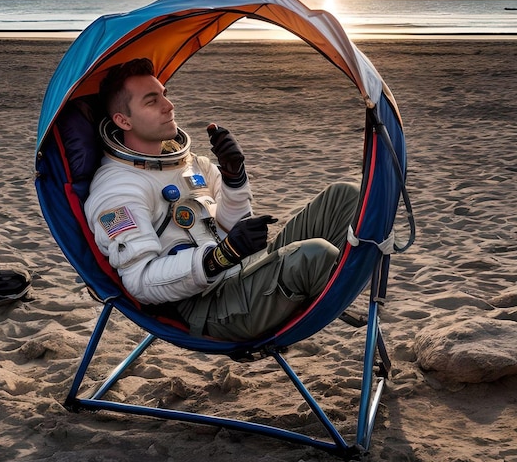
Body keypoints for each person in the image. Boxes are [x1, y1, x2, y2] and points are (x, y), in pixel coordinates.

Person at [84, 58, 359, 342]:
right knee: (316, 255)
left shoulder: (187, 163)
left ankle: (332, 288)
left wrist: (234, 178)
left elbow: (234, 225)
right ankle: (336, 292)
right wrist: (220, 256)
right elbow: (139, 281)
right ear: (123, 120)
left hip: (240, 270)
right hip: (207, 305)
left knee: (345, 197)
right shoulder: (117, 190)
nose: (169, 106)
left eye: (165, 95)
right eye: (152, 101)